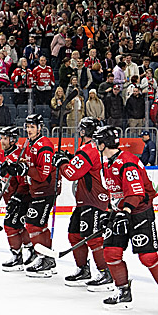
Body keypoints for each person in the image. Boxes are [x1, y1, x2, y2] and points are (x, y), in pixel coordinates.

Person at [92, 125, 158, 313]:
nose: (94, 144)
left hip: (139, 213)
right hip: (120, 213)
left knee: (147, 256)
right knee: (111, 252)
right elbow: (115, 193)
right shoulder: (108, 163)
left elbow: (135, 193)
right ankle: (123, 291)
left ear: (102, 144)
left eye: (96, 141)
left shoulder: (127, 162)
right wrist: (108, 212)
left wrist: (125, 212)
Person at [0, 113, 57, 277]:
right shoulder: (29, 143)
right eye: (27, 127)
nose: (29, 130)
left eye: (32, 127)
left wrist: (23, 169)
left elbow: (43, 174)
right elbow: (22, 165)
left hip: (44, 190)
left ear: (40, 128)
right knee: (33, 225)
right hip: (34, 190)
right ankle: (41, 256)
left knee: (34, 225)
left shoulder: (44, 145)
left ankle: (45, 258)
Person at [53, 117, 113, 290]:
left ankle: (105, 272)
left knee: (93, 238)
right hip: (85, 200)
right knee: (74, 234)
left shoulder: (89, 149)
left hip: (93, 200)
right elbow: (81, 166)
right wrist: (69, 158)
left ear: (84, 131)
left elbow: (71, 173)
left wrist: (62, 162)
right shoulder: (90, 149)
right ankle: (82, 269)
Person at [0, 126, 31, 271]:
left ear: (13, 140)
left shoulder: (19, 155)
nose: (2, 141)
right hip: (11, 195)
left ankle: (18, 256)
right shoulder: (3, 153)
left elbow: (24, 182)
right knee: (18, 225)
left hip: (21, 196)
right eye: (1, 138)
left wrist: (17, 198)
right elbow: (6, 175)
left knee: (10, 225)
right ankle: (30, 251)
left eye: (5, 138)